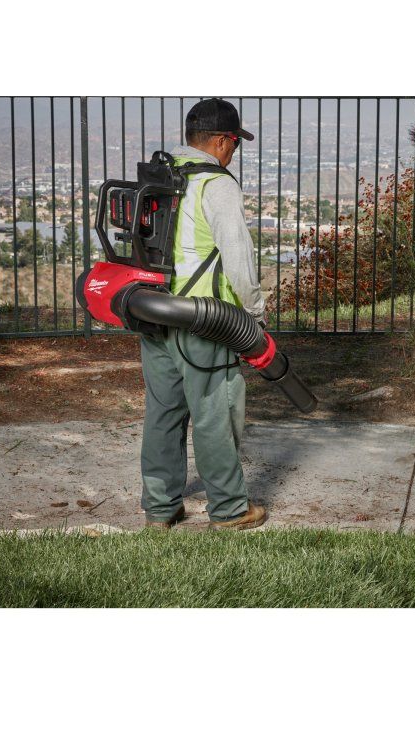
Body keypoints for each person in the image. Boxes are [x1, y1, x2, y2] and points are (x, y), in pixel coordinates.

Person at [140, 98, 268, 531]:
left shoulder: (161, 174)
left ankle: (160, 509)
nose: (234, 152)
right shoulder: (216, 184)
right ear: (221, 141)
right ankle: (230, 510)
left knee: (163, 414)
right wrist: (253, 314)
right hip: (204, 320)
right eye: (235, 143)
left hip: (154, 311)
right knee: (215, 413)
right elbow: (238, 259)